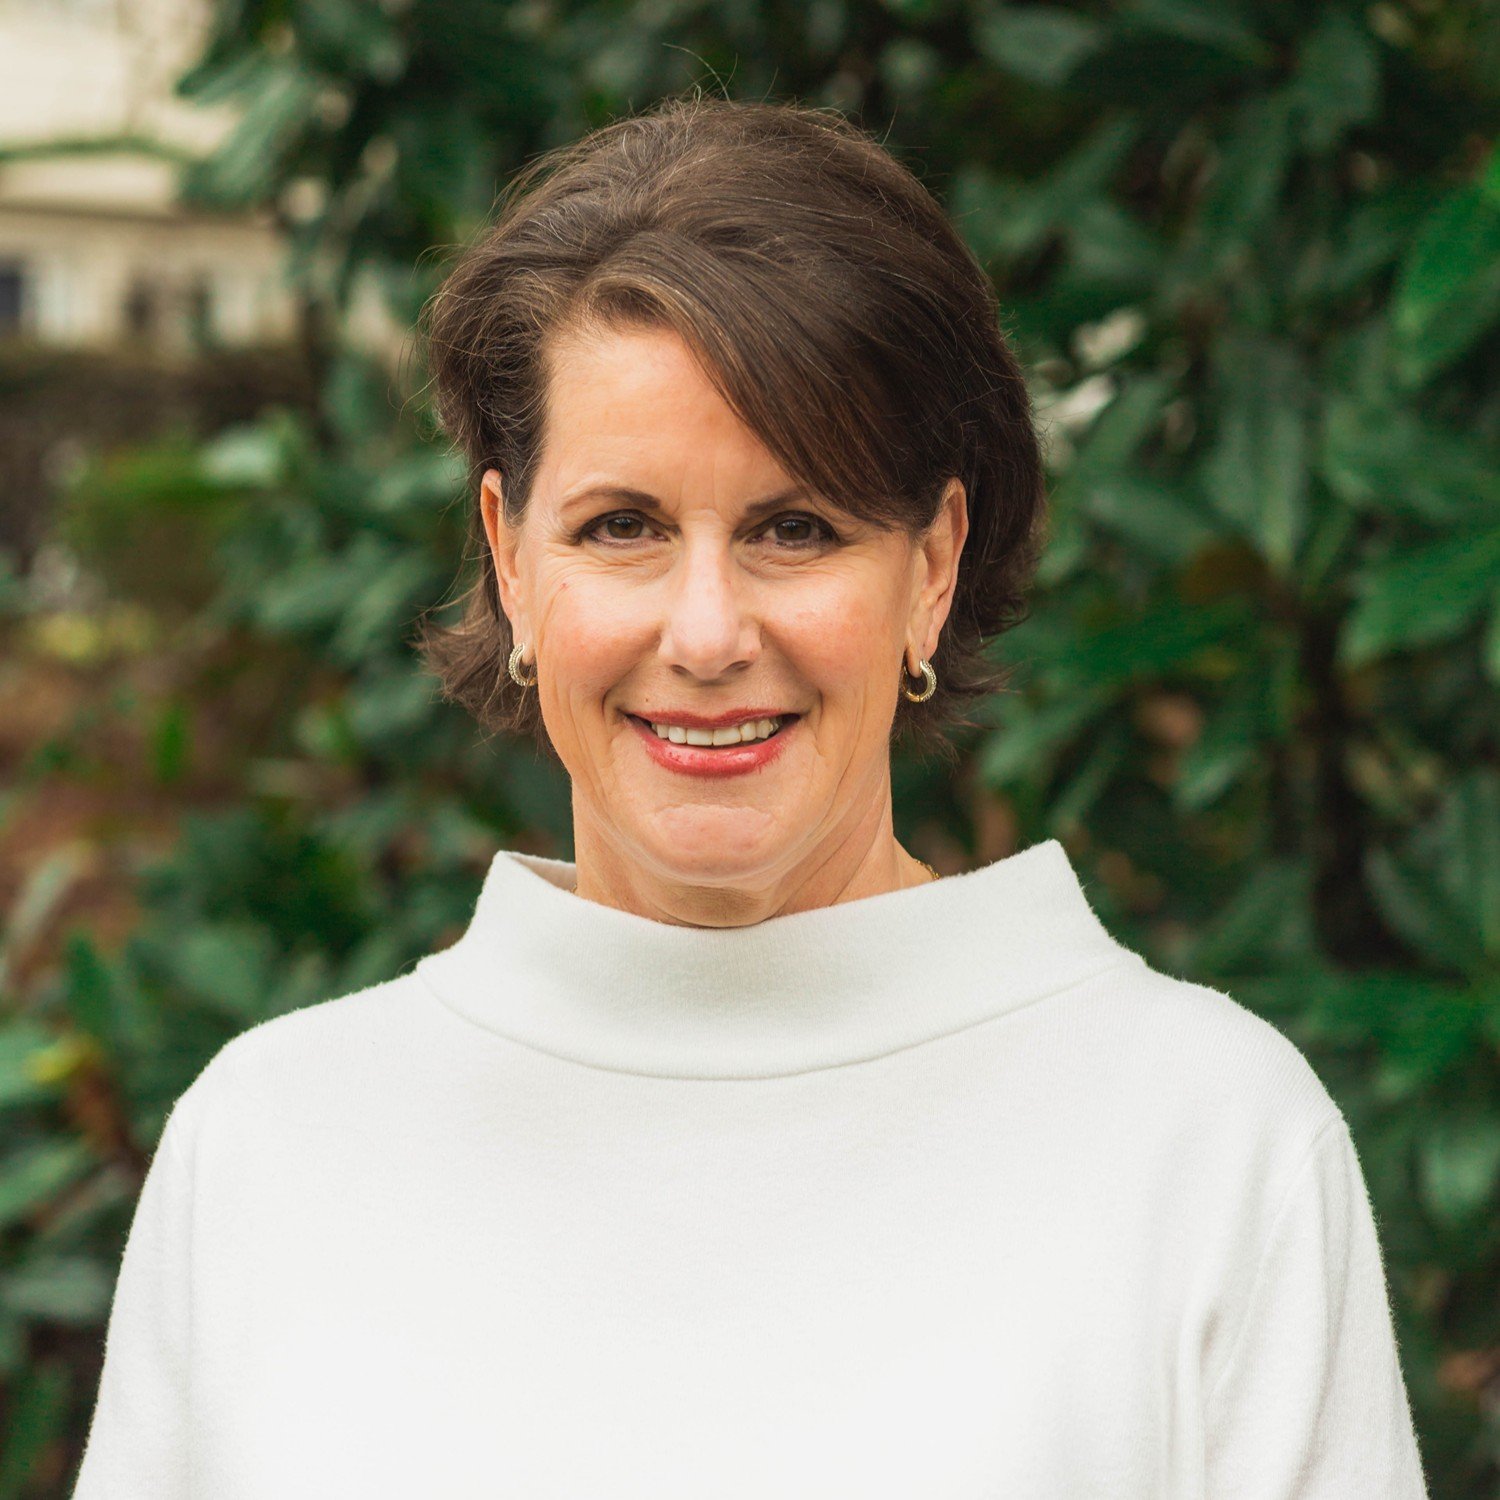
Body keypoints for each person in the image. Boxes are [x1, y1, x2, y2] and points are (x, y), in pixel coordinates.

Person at [72, 92, 1428, 1499]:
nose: (708, 634)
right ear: (511, 559)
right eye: (623, 527)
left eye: (796, 528)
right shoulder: (273, 1151)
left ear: (933, 565)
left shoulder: (1209, 1145)